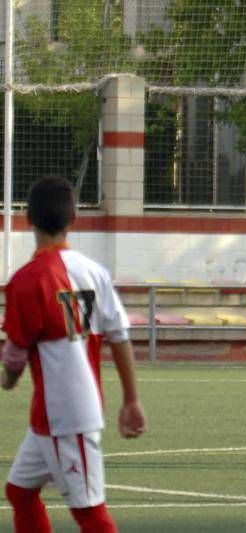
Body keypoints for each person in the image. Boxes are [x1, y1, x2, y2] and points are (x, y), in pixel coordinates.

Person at [2, 176, 147, 533]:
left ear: (27, 220)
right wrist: (131, 399)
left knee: (90, 513)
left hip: (65, 417)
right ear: (75, 218)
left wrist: (6, 373)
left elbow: (11, 372)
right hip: (54, 417)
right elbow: (119, 335)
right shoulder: (95, 272)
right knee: (19, 491)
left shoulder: (26, 281)